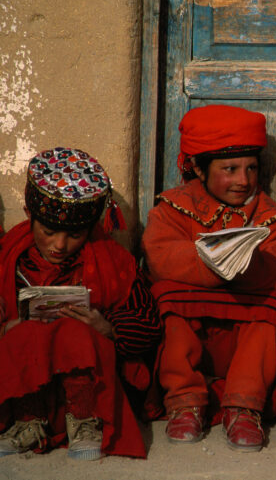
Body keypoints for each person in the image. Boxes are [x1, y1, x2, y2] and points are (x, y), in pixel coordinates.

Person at [141, 105, 276, 452]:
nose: (243, 180)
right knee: (169, 299)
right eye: (230, 169)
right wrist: (215, 262)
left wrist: (247, 262)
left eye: (252, 168)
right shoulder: (171, 208)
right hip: (195, 328)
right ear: (198, 168)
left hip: (242, 335)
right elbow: (162, 258)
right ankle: (184, 400)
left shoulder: (271, 217)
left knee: (271, 308)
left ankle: (243, 405)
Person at [0, 147, 161, 460]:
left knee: (77, 332)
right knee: (24, 334)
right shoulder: (8, 257)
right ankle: (27, 422)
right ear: (29, 215)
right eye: (48, 232)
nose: (60, 245)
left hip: (92, 384)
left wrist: (108, 328)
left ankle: (85, 423)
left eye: (75, 235)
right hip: (24, 376)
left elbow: (149, 323)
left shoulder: (113, 261)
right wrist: (9, 327)